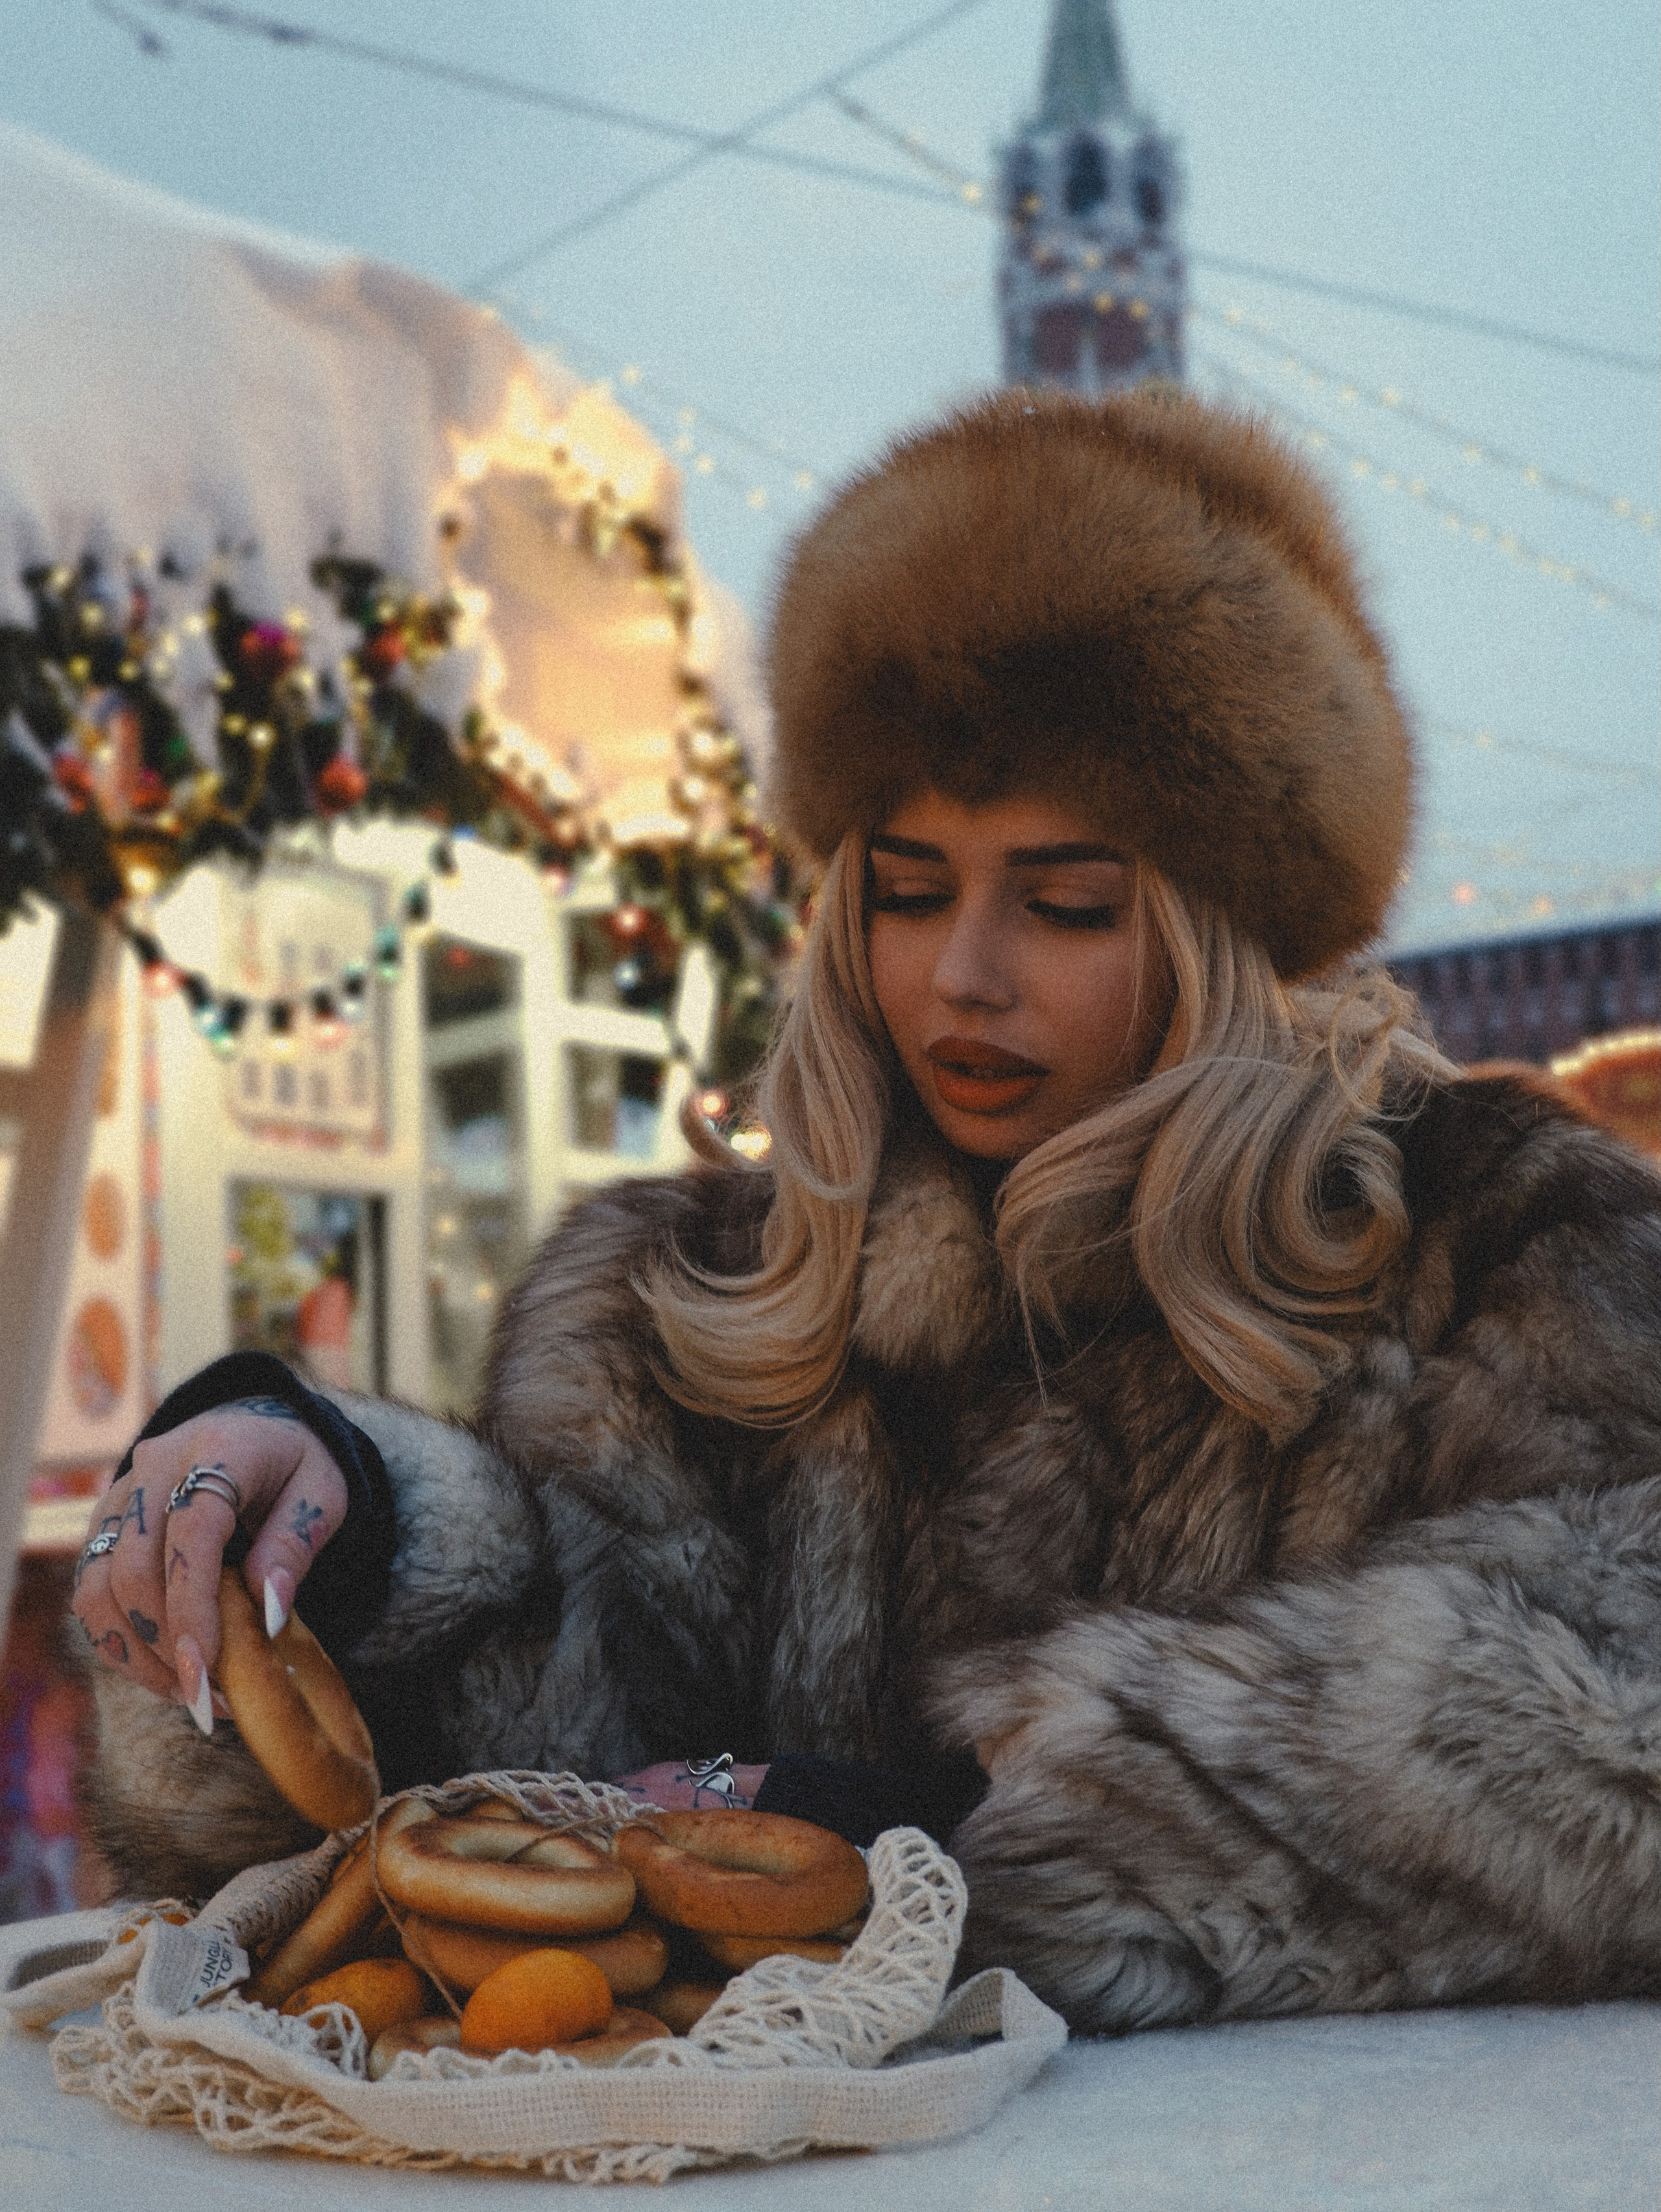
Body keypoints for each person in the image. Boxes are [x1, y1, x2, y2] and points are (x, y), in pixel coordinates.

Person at [71, 391, 1661, 2032]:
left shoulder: (1503, 1241)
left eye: (1064, 903)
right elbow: (508, 1810)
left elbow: (1617, 1710)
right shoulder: (684, 1302)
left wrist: (969, 1833)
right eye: (905, 890)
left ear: (1220, 925)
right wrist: (344, 1530)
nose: (962, 972)